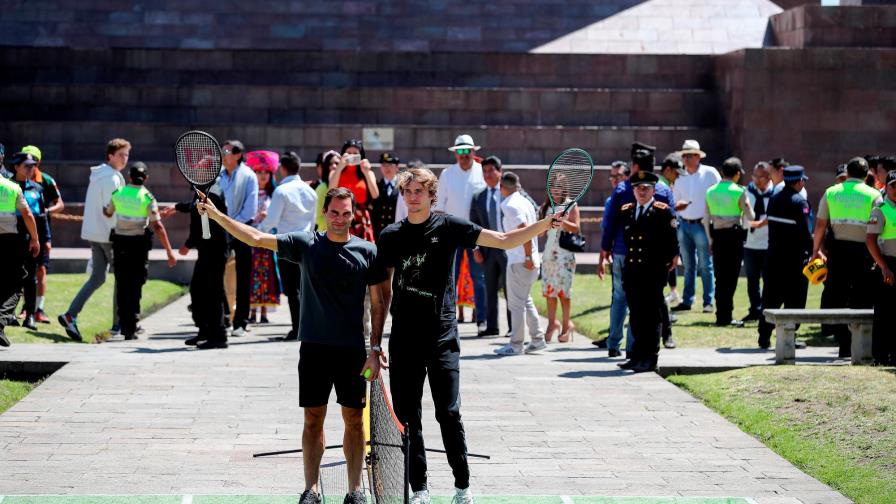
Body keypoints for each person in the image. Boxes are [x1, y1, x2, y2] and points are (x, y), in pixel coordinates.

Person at [370, 167, 560, 504]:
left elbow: (502, 240)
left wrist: (544, 224)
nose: (413, 197)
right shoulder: (390, 236)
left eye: (419, 191)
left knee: (448, 412)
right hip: (404, 338)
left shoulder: (449, 227)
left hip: (441, 335)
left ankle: (462, 486)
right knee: (408, 416)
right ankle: (420, 490)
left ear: (432, 195)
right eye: (407, 192)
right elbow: (380, 295)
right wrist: (374, 342)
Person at [198, 187, 381, 504]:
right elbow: (255, 237)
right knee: (313, 419)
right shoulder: (306, 243)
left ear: (354, 215)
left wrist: (375, 349)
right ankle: (311, 490)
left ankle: (355, 491)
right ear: (324, 212)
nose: (340, 219)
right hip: (313, 348)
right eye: (334, 212)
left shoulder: (368, 251)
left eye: (346, 213)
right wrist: (215, 215)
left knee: (354, 419)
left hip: (353, 351)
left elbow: (380, 304)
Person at [598, 143, 677, 357]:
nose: (641, 191)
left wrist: (605, 248)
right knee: (636, 302)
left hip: (629, 253)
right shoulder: (661, 189)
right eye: (639, 188)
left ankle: (617, 344)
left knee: (624, 300)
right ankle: (632, 348)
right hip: (641, 255)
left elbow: (610, 222)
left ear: (634, 165)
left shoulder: (623, 188)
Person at [58, 138, 129, 341]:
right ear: (110, 156)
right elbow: (111, 210)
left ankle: (70, 315)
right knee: (122, 278)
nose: (125, 159)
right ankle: (119, 324)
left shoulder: (100, 175)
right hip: (109, 235)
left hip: (95, 234)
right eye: (121, 155)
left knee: (98, 277)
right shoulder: (112, 178)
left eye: (127, 155)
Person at [812, 156, 882, 358]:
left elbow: (819, 225)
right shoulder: (874, 195)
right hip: (865, 251)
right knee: (862, 296)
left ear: (847, 173)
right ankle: (859, 346)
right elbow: (877, 228)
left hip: (838, 251)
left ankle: (843, 344)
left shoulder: (831, 192)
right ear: (867, 174)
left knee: (838, 296)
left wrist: (816, 250)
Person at [103, 162, 176, 340]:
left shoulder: (118, 194)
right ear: (146, 178)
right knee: (135, 284)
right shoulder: (147, 197)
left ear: (129, 176)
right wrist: (169, 251)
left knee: (122, 283)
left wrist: (104, 210)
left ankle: (123, 324)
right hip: (138, 246)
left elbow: (108, 213)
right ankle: (131, 326)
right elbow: (157, 225)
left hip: (120, 245)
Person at [617, 170, 679, 373]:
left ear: (654, 190)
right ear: (633, 190)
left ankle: (650, 357)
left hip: (652, 271)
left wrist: (670, 261)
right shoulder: (627, 210)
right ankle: (637, 355)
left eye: (646, 188)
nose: (641, 192)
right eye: (638, 188)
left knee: (651, 315)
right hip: (633, 270)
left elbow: (672, 242)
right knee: (636, 314)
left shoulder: (663, 212)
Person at [257, 151, 318, 341]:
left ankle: (297, 329)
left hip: (287, 243)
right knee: (304, 289)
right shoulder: (310, 191)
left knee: (293, 291)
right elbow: (313, 220)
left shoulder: (281, 191)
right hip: (308, 242)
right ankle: (306, 327)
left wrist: (256, 231)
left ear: (282, 169)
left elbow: (271, 221)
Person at [435, 134, 488, 333]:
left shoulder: (482, 172)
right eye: (461, 151)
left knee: (479, 277)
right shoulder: (447, 174)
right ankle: (446, 319)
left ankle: (482, 319)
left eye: (468, 151)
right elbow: (439, 206)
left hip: (476, 233)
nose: (464, 155)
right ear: (456, 153)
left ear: (474, 151)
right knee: (449, 279)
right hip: (451, 234)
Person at [757, 166, 813, 350]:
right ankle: (790, 336)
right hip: (794, 261)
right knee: (795, 300)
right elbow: (806, 234)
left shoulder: (773, 199)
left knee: (770, 298)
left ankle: (764, 337)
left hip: (773, 258)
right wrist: (816, 251)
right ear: (799, 182)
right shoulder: (800, 203)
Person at [494, 171, 547, 355]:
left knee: (516, 305)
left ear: (502, 187)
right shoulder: (524, 201)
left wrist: (526, 256)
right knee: (525, 301)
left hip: (520, 260)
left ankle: (516, 345)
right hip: (529, 259)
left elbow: (523, 229)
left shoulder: (510, 205)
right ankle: (538, 339)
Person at [670, 139, 720, 313]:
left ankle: (708, 301)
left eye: (690, 155)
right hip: (684, 224)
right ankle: (687, 300)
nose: (686, 159)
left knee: (706, 264)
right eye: (684, 156)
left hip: (702, 224)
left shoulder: (710, 173)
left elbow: (719, 196)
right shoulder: (679, 177)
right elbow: (674, 202)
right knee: (689, 265)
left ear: (698, 157)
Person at [704, 157, 754, 327]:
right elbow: (750, 216)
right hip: (734, 237)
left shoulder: (710, 191)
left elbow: (705, 219)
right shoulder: (740, 191)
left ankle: (721, 316)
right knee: (731, 277)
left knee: (720, 278)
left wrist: (710, 239)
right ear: (737, 174)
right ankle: (728, 315)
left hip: (717, 236)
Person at [218, 140, 258, 337]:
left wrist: (231, 225)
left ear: (238, 155)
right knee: (218, 274)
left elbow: (250, 210)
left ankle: (240, 322)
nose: (223, 154)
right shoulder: (218, 176)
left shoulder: (249, 176)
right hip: (221, 231)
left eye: (226, 151)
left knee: (243, 278)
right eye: (222, 150)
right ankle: (224, 316)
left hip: (242, 231)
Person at [20, 145, 63, 324]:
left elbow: (60, 204)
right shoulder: (14, 182)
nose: (31, 167)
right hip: (21, 234)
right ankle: (25, 308)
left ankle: (39, 308)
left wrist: (46, 210)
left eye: (34, 163)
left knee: (41, 270)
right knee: (23, 272)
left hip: (41, 231)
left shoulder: (45, 181)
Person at [538, 171, 580, 343]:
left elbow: (576, 228)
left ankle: (566, 325)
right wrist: (545, 223)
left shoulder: (571, 205)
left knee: (564, 293)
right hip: (549, 254)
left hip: (564, 255)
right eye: (552, 187)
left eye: (558, 188)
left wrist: (562, 221)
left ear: (564, 189)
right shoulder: (546, 207)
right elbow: (540, 233)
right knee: (550, 292)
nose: (555, 191)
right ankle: (551, 324)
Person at [469, 156, 510, 337]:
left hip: (509, 247)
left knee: (510, 289)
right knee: (489, 288)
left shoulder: (510, 192)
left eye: (491, 170)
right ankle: (492, 326)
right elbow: (474, 224)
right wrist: (476, 249)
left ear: (500, 172)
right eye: (484, 171)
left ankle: (513, 327)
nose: (487, 174)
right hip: (487, 250)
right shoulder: (479, 196)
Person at [0, 170, 40, 347]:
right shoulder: (12, 187)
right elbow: (28, 214)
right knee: (16, 285)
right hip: (8, 241)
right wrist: (35, 238)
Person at [10, 153, 48, 330]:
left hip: (32, 239)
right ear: (16, 166)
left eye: (33, 165)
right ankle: (8, 313)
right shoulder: (7, 187)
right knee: (10, 277)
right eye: (26, 165)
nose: (30, 169)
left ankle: (30, 315)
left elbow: (41, 217)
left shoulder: (37, 189)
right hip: (10, 236)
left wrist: (45, 238)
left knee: (30, 278)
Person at [246, 151, 281, 324]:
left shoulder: (274, 195)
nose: (262, 176)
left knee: (266, 275)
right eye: (259, 172)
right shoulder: (249, 194)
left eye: (266, 172)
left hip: (267, 239)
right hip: (250, 237)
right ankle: (252, 311)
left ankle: (265, 311)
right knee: (252, 274)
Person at [866, 170, 896, 365]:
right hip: (888, 263)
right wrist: (883, 266)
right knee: (885, 311)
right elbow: (870, 241)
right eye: (893, 185)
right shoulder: (881, 208)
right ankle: (881, 355)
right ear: (888, 187)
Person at [741, 161, 773, 322]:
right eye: (754, 176)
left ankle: (766, 312)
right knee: (752, 281)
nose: (755, 180)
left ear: (768, 177)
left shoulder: (776, 193)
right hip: (751, 243)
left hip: (768, 244)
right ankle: (754, 309)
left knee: (768, 280)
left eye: (759, 177)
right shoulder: (747, 192)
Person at [330, 139, 379, 242]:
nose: (352, 156)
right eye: (349, 153)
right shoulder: (335, 172)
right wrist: (339, 167)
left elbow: (375, 195)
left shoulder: (367, 172)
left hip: (361, 218)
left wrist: (366, 172)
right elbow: (330, 191)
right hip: (340, 217)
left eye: (355, 153)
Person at [659, 153, 684, 306]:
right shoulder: (662, 187)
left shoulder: (663, 184)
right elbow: (667, 216)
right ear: (667, 170)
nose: (678, 177)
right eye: (676, 173)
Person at [371, 152, 400, 241]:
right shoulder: (376, 186)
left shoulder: (403, 186)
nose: (387, 168)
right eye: (384, 165)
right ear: (381, 168)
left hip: (397, 231)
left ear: (397, 167)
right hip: (379, 232)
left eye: (390, 164)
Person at [312, 151, 336, 232]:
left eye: (337, 163)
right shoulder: (322, 188)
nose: (334, 166)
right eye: (330, 164)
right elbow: (318, 217)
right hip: (326, 234)